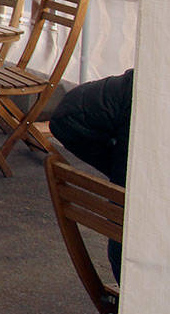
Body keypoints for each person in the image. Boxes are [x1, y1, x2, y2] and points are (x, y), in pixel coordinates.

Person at [48, 68, 133, 279]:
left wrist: (117, 170)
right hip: (143, 284)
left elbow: (65, 117)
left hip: (127, 273)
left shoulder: (141, 84)